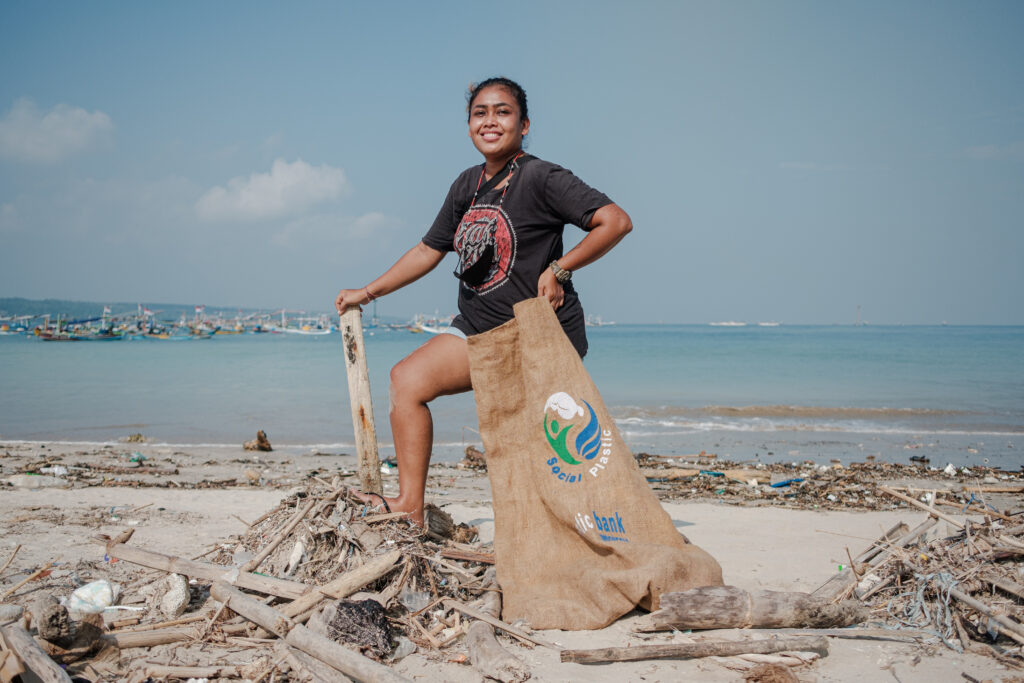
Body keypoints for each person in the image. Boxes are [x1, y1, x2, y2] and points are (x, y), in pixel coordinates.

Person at [336, 77, 632, 525]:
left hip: (538, 335)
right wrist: (368, 292)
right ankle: (409, 507)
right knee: (407, 381)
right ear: (469, 124)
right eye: (480, 112)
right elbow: (427, 251)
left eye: (503, 111)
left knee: (551, 450)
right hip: (478, 326)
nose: (490, 120)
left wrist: (559, 269)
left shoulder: (542, 177)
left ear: (524, 124)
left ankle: (595, 526)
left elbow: (615, 221)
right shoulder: (466, 185)